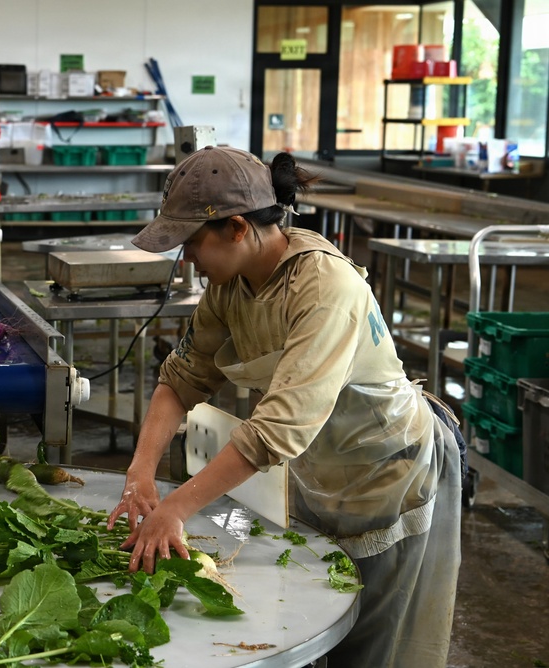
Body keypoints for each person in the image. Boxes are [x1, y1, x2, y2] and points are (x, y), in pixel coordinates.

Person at [106, 146, 463, 667]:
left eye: (191, 242)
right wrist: (140, 473)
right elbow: (179, 382)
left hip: (385, 476)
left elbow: (274, 431)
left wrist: (176, 507)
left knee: (368, 646)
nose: (187, 259)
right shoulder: (231, 288)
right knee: (312, 618)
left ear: (236, 228)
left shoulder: (324, 288)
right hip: (319, 471)